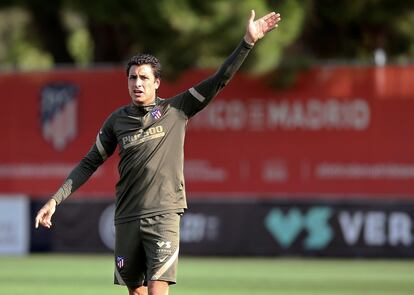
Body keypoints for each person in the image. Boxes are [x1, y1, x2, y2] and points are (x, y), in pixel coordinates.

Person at [35, 9, 281, 295]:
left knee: (156, 290)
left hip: (163, 213)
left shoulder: (176, 109)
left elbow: (219, 80)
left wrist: (247, 43)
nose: (137, 83)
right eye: (132, 78)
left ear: (156, 82)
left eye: (143, 78)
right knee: (136, 292)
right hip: (127, 216)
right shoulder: (117, 120)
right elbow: (90, 162)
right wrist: (55, 199)